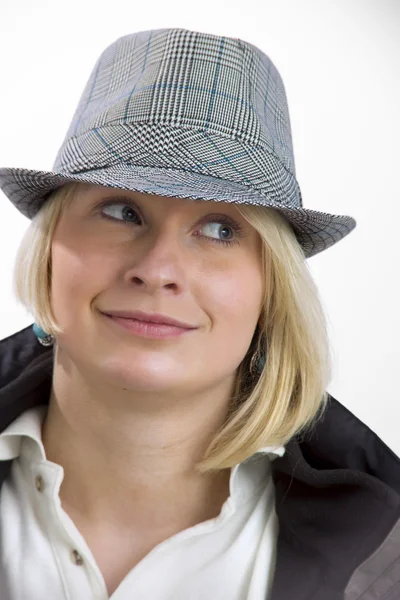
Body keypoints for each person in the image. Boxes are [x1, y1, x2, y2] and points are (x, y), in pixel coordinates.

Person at [0, 27, 399, 600]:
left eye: (220, 229)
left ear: (271, 286)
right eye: (120, 210)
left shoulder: (387, 553)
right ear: (50, 251)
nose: (159, 269)